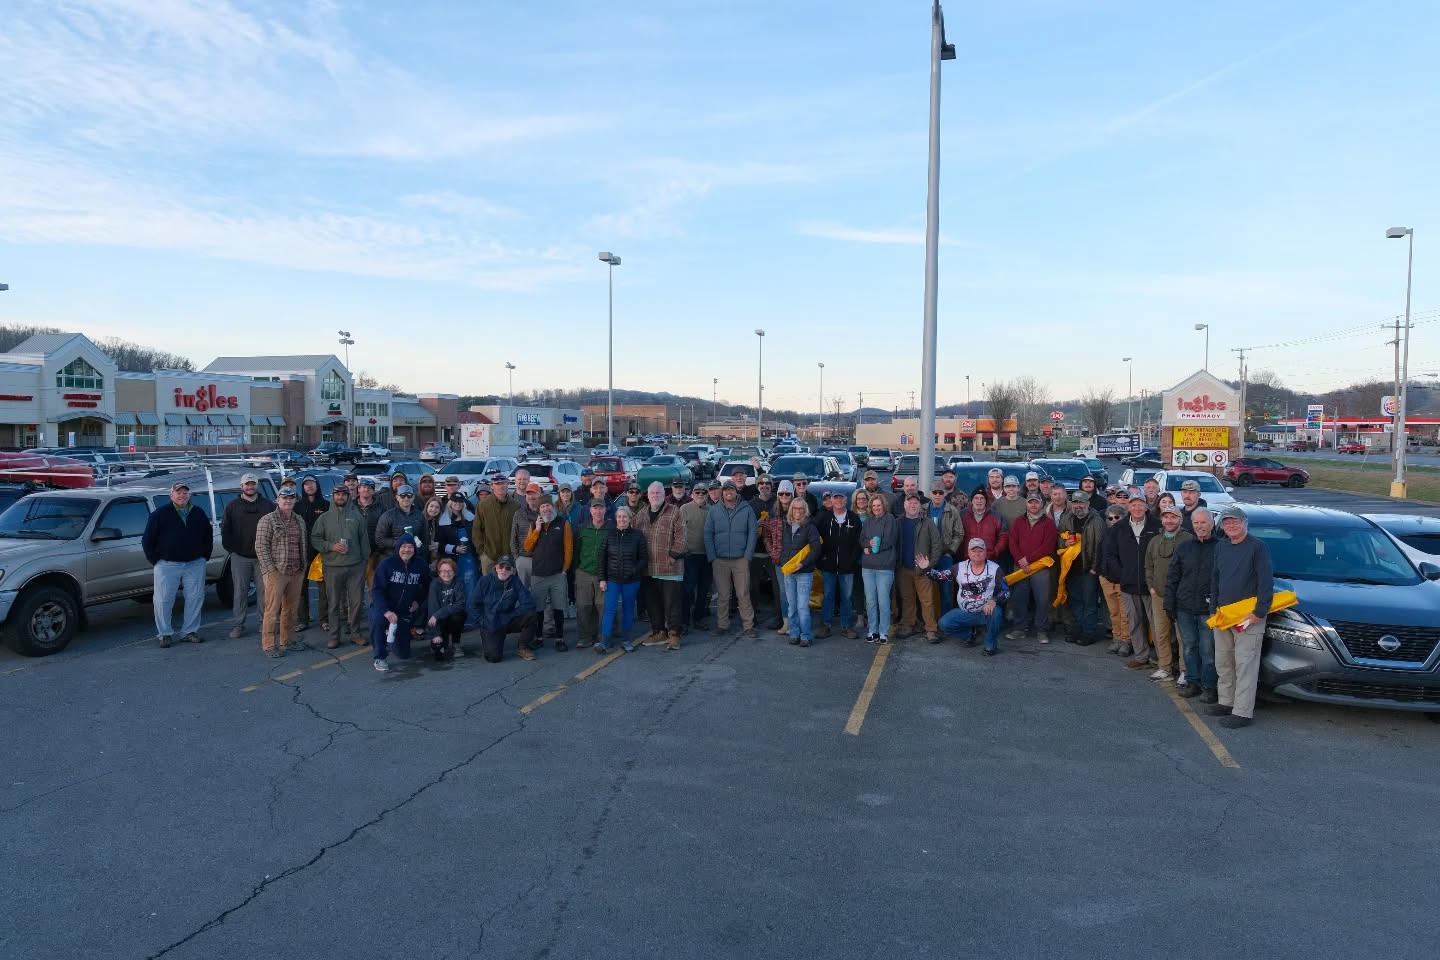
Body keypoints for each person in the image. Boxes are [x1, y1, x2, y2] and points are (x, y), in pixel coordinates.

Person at [1206, 505, 1273, 727]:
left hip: (1248, 617)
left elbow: (1265, 582)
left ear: (1245, 523)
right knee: (1223, 661)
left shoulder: (1258, 547)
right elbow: (1215, 578)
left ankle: (1242, 712)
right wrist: (1213, 607)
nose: (1231, 525)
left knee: (1245, 665)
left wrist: (1259, 613)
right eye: (1227, 522)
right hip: (1223, 615)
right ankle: (1226, 701)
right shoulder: (1221, 547)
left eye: (1235, 521)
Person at [142, 480, 213, 647]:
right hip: (167, 565)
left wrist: (205, 556)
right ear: (171, 495)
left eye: (185, 492)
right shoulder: (160, 514)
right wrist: (155, 560)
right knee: (163, 600)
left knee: (195, 598)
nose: (182, 495)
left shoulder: (198, 513)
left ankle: (189, 631)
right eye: (178, 492)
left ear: (189, 495)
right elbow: (147, 540)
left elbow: (208, 535)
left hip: (195, 564)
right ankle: (165, 634)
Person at [1164, 507, 1218, 701]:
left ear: (1211, 523)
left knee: (1208, 651)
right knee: (1189, 648)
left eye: (1204, 522)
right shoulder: (1184, 547)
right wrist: (1169, 604)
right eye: (1196, 523)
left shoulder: (1221, 548)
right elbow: (1172, 576)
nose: (1200, 526)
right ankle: (1193, 682)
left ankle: (1209, 687)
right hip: (1184, 608)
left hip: (1208, 610)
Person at [1102, 491, 1160, 668]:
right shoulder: (1120, 527)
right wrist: (1121, 574)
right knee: (1134, 622)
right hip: (1128, 583)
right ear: (1128, 507)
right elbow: (1110, 553)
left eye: (1140, 504)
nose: (1137, 508)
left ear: (1146, 506)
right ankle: (1141, 656)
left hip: (1151, 585)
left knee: (1157, 624)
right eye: (1133, 505)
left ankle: (1162, 658)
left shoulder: (1157, 526)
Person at [311, 483, 369, 649]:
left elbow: (364, 541)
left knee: (356, 602)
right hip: (333, 566)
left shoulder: (356, 516)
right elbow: (315, 539)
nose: (340, 497)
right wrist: (330, 546)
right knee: (334, 603)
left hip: (356, 566)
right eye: (337, 494)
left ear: (348, 496)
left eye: (343, 494)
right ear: (333, 496)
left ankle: (356, 633)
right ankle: (334, 636)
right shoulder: (324, 518)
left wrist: (364, 562)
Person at [924, 539, 1008, 654]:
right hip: (966, 612)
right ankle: (970, 635)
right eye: (974, 551)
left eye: (980, 551)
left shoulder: (995, 569)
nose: (977, 554)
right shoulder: (959, 567)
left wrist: (994, 600)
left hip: (985, 612)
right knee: (944, 623)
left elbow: (1006, 591)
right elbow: (940, 577)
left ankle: (990, 643)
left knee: (997, 612)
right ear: (968, 552)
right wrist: (927, 569)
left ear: (985, 552)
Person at [253, 486, 307, 658]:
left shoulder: (299, 520)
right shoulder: (267, 520)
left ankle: (288, 639)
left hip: (296, 570)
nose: (288, 500)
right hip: (276, 571)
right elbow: (260, 546)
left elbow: (302, 544)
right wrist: (270, 569)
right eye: (284, 498)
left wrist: (302, 566)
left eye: (291, 498)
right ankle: (269, 644)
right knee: (272, 610)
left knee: (291, 609)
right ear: (277, 500)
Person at [632, 481, 685, 650]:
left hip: (670, 568)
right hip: (648, 569)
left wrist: (673, 555)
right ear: (647, 495)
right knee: (653, 604)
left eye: (658, 493)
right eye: (652, 493)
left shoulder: (674, 511)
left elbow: (682, 536)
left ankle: (674, 635)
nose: (655, 495)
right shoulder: (641, 515)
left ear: (664, 494)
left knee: (672, 604)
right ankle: (659, 632)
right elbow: (633, 537)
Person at [1144, 503, 1193, 682]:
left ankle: (1185, 670)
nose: (1169, 520)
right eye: (1166, 517)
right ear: (1162, 519)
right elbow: (1148, 565)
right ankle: (1164, 668)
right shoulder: (1155, 540)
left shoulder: (1188, 540)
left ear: (1180, 519)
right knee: (1161, 633)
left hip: (1181, 597)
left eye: (1173, 517)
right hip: (1158, 595)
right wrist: (1151, 586)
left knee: (1183, 636)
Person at [221, 472, 273, 640]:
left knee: (264, 592)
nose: (250, 487)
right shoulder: (232, 506)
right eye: (247, 484)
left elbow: (275, 529)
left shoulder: (268, 505)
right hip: (240, 557)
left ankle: (263, 623)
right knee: (240, 592)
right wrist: (232, 549)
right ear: (241, 486)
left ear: (257, 485)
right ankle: (238, 625)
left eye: (253, 484)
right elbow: (225, 530)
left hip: (263, 557)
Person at [704, 480, 758, 638]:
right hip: (720, 560)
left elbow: (753, 532)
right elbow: (708, 534)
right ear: (722, 492)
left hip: (741, 559)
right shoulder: (714, 510)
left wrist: (748, 555)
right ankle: (722, 625)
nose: (729, 492)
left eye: (731, 490)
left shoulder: (746, 508)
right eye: (726, 490)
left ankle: (748, 626)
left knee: (743, 593)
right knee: (723, 594)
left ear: (736, 492)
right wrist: (712, 557)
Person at [369, 533, 430, 673]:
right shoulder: (387, 564)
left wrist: (417, 601)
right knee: (378, 620)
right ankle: (380, 656)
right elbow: (376, 590)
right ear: (398, 548)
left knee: (404, 654)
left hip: (403, 611)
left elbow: (427, 586)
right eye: (403, 547)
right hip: (385, 608)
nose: (406, 550)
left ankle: (391, 634)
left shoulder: (420, 565)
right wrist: (386, 611)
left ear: (414, 549)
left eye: (410, 547)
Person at [1004, 491, 1058, 643]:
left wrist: (1028, 560)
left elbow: (1048, 547)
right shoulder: (1018, 522)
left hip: (1040, 567)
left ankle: (1041, 630)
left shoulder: (1048, 523)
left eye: (1036, 502)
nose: (1033, 505)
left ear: (1041, 504)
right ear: (1026, 504)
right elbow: (1012, 542)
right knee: (1019, 598)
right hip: (1020, 567)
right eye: (1030, 502)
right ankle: (1019, 628)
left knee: (1042, 600)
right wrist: (1021, 560)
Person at [595, 506, 649, 654]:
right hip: (612, 580)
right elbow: (602, 559)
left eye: (624, 517)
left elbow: (644, 559)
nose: (622, 519)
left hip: (631, 581)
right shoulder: (609, 535)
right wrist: (602, 579)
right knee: (609, 609)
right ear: (616, 519)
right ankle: (605, 641)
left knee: (628, 610)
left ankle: (626, 639)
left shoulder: (638, 536)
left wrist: (633, 571)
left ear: (630, 518)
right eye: (619, 517)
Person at [466, 555, 539, 662]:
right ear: (496, 567)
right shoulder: (484, 581)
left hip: (507, 619)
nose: (503, 570)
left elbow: (528, 603)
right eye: (501, 566)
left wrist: (509, 615)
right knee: (493, 657)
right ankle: (491, 638)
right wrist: (482, 622)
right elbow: (472, 605)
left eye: (508, 568)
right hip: (490, 623)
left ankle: (523, 647)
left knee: (531, 614)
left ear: (512, 571)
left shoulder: (515, 581)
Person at [1057, 490, 1106, 645]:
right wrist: (1064, 543)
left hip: (1088, 569)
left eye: (1082, 502)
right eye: (1076, 502)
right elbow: (1059, 537)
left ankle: (1088, 633)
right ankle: (1077, 630)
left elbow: (1101, 546)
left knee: (1089, 602)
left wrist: (1094, 568)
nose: (1078, 506)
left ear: (1088, 503)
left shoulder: (1097, 521)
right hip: (1071, 568)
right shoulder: (1067, 518)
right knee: (1076, 601)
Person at [523, 499, 573, 650]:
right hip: (538, 574)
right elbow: (527, 548)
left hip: (557, 574)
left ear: (553, 507)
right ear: (539, 510)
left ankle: (559, 638)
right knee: (539, 609)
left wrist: (564, 569)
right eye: (542, 506)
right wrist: (537, 530)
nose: (545, 509)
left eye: (548, 506)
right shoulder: (534, 525)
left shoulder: (563, 523)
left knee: (558, 608)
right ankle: (538, 637)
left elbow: (569, 548)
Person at [894, 493, 943, 642]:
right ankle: (909, 624)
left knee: (927, 600)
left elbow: (937, 545)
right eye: (909, 503)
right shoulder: (898, 522)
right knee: (907, 599)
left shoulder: (927, 523)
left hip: (922, 570)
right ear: (904, 505)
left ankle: (931, 629)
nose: (912, 505)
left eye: (915, 503)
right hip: (904, 569)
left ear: (919, 505)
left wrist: (930, 564)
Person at [816, 490, 863, 639]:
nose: (838, 500)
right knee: (828, 596)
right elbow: (816, 541)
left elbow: (858, 544)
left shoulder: (854, 519)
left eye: (841, 497)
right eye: (835, 498)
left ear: (846, 499)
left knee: (846, 598)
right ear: (831, 500)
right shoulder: (824, 519)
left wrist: (851, 562)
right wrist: (821, 560)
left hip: (847, 568)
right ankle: (826, 625)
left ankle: (846, 626)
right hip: (828, 567)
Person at [778, 498, 821, 646]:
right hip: (788, 571)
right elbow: (783, 546)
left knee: (802, 606)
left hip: (804, 572)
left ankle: (806, 636)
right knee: (792, 605)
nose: (798, 511)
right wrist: (784, 562)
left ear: (805, 510)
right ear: (791, 510)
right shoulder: (787, 526)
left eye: (801, 509)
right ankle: (794, 633)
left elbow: (816, 549)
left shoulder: (810, 527)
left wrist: (802, 564)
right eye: (795, 508)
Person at [860, 493, 898, 643]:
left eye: (879, 505)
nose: (876, 508)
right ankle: (873, 630)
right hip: (868, 567)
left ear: (884, 506)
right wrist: (867, 545)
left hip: (884, 567)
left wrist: (873, 547)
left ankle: (883, 632)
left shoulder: (890, 520)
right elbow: (862, 539)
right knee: (870, 601)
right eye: (874, 505)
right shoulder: (868, 521)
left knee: (883, 601)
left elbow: (889, 540)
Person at [294, 475, 330, 634]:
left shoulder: (326, 505)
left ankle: (325, 619)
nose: (309, 486)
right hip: (301, 553)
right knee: (301, 590)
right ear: (303, 487)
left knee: (324, 590)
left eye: (312, 483)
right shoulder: (297, 507)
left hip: (320, 554)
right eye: (306, 484)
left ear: (317, 485)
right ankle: (303, 620)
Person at [574, 497, 611, 647]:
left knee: (602, 606)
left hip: (603, 574)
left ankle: (602, 637)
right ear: (590, 510)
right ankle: (584, 637)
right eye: (595, 508)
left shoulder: (611, 529)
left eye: (600, 508)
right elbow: (576, 550)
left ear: (605, 510)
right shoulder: (582, 529)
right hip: (583, 572)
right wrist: (576, 569)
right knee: (583, 605)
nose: (598, 511)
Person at [749, 475, 783, 631]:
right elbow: (745, 528)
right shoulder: (750, 505)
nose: (764, 486)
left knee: (778, 587)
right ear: (757, 486)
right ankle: (752, 617)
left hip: (773, 553)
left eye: (767, 483)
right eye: (761, 483)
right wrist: (756, 525)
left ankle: (780, 617)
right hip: (755, 551)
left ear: (771, 486)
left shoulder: (778, 503)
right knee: (753, 586)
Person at [1098, 504, 1131, 650]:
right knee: (1114, 612)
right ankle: (1116, 638)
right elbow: (1100, 554)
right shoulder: (1106, 534)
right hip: (1106, 578)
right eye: (1110, 518)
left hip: (1122, 580)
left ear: (1124, 517)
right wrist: (1099, 571)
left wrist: (1123, 575)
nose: (1113, 520)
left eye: (1117, 517)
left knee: (1125, 614)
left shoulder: (1129, 534)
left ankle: (1126, 641)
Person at [679, 481, 712, 630]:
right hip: (690, 555)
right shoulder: (684, 509)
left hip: (706, 555)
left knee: (704, 589)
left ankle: (698, 618)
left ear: (707, 495)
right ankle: (684, 621)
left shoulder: (712, 510)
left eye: (703, 493)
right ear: (692, 494)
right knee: (688, 589)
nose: (700, 495)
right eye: (697, 492)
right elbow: (678, 532)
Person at [472, 475, 519, 575]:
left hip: (510, 555)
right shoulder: (483, 505)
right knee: (489, 586)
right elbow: (477, 530)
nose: (500, 486)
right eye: (497, 484)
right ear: (492, 486)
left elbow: (519, 530)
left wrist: (516, 553)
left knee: (509, 586)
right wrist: (482, 552)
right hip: (489, 555)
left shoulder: (516, 505)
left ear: (507, 484)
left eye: (503, 483)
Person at [426, 557, 468, 660]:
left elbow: (460, 605)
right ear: (439, 573)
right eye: (443, 571)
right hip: (440, 622)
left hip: (452, 618)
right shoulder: (434, 585)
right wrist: (436, 634)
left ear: (454, 572)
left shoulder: (459, 583)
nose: (446, 574)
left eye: (450, 570)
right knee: (438, 653)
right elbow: (432, 609)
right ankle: (441, 640)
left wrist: (439, 613)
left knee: (459, 615)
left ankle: (456, 644)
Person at [375, 484, 429, 555]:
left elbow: (425, 540)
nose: (406, 498)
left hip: (415, 558)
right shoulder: (388, 516)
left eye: (409, 495)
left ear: (413, 497)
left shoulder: (420, 516)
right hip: (394, 557)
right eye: (402, 496)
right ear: (397, 497)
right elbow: (379, 540)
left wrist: (421, 549)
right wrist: (401, 542)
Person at [509, 482, 544, 587]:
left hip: (542, 560)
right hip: (523, 559)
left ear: (540, 495)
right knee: (524, 593)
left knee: (541, 594)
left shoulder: (545, 512)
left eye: (534, 493)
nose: (531, 497)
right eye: (529, 494)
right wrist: (517, 558)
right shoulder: (519, 513)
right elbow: (513, 537)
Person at [959, 488, 1006, 562]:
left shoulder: (996, 516)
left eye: (982, 498)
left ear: (986, 501)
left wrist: (995, 551)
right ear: (972, 500)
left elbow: (1003, 537)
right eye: (976, 498)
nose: (979, 501)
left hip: (990, 559)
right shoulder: (962, 515)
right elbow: (957, 535)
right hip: (966, 560)